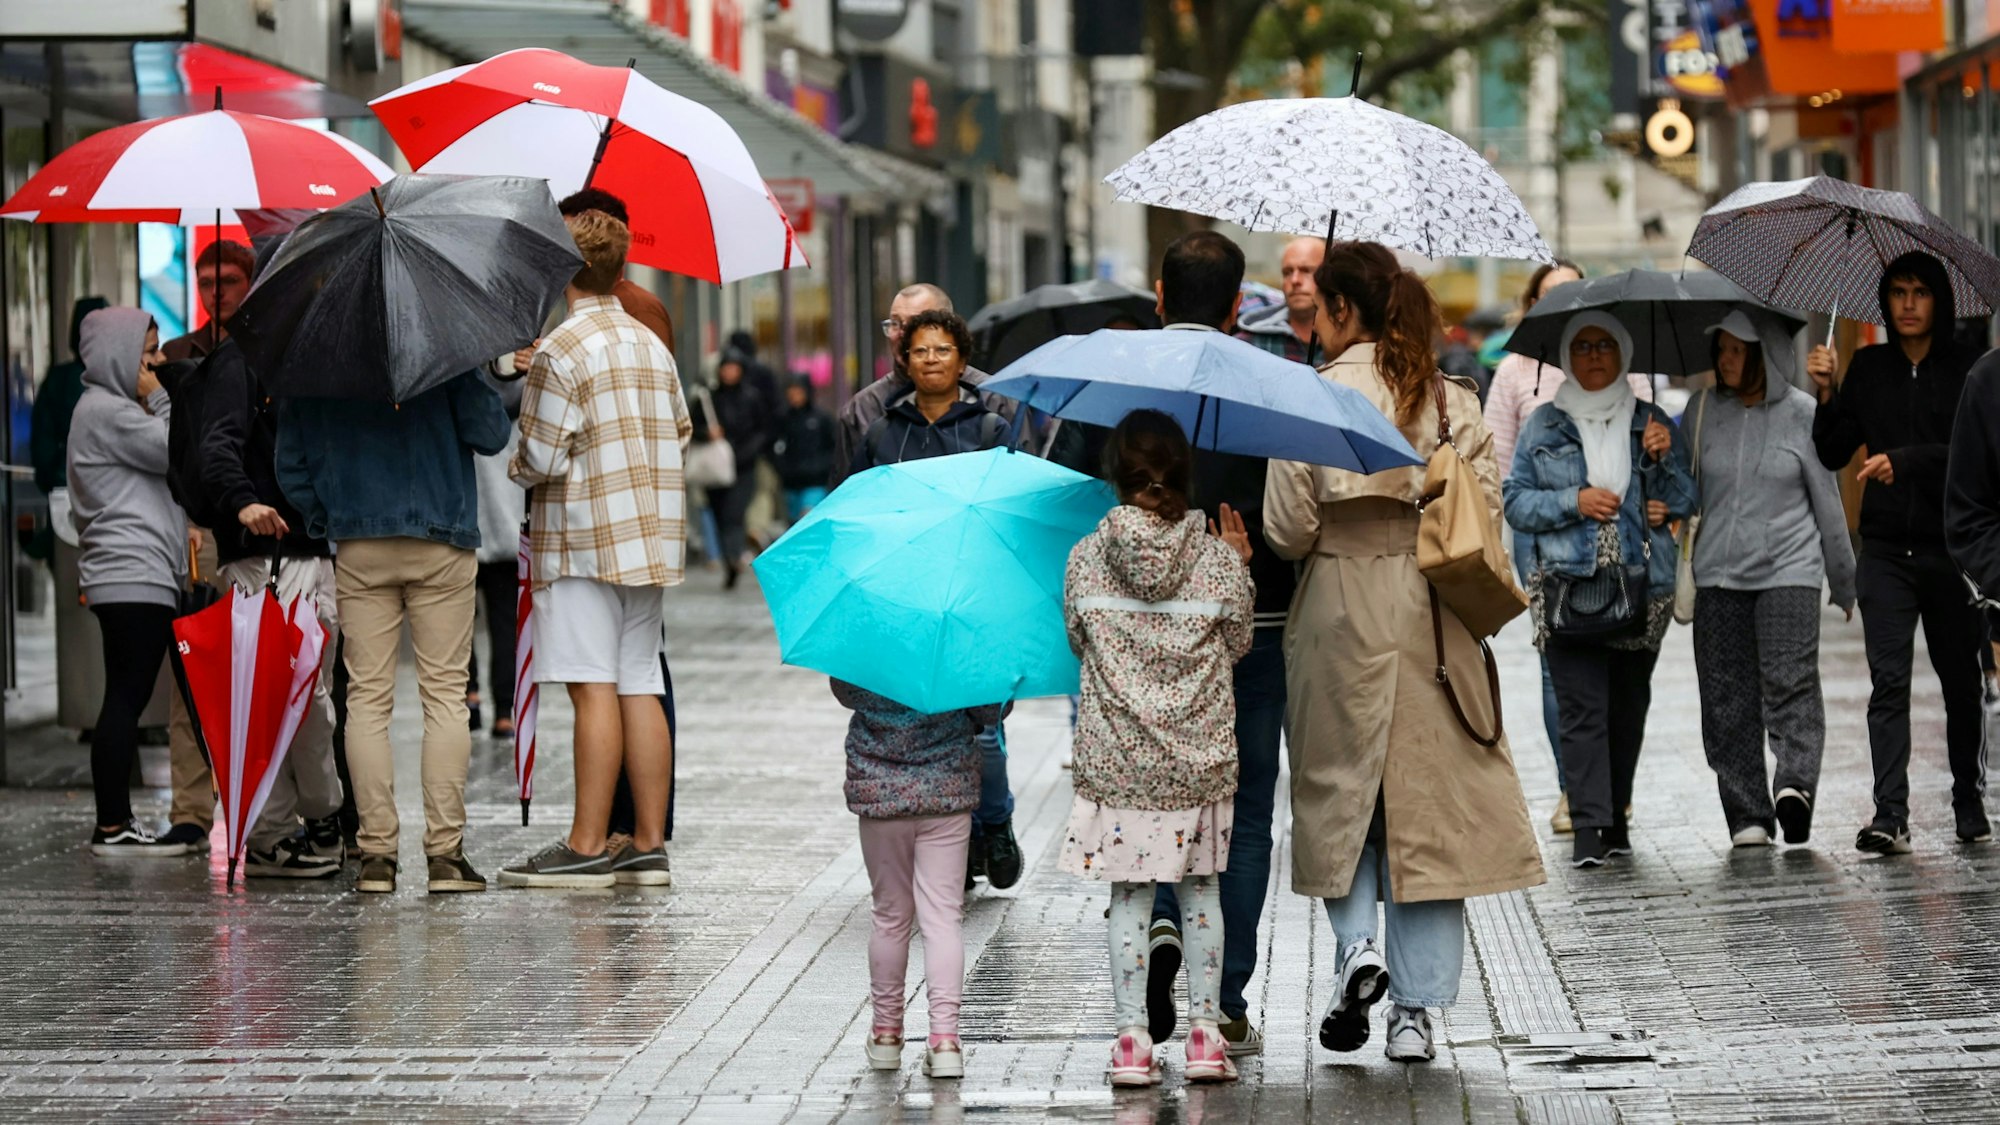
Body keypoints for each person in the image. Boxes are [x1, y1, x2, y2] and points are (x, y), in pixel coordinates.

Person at [1268, 241, 1544, 1063]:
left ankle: (1357, 949)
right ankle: (1415, 1014)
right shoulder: (1451, 399)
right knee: (1427, 808)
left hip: (1338, 612)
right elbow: (1485, 515)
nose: (1312, 322)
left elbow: (1288, 530)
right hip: (1430, 617)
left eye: (1318, 308)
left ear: (1342, 310)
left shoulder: (1308, 401)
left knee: (1337, 793)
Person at [1060, 409, 1254, 1086]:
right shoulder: (1214, 557)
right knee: (1202, 892)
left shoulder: (1086, 555)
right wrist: (1241, 566)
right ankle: (1205, 1036)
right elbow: (1237, 645)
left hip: (1118, 762)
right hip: (1198, 761)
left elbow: (1079, 641)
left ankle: (1133, 1045)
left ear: (1117, 472)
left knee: (1130, 899)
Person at [499, 210, 690, 889]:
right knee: (639, 677)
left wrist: (520, 455)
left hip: (582, 538)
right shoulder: (649, 344)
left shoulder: (561, 349)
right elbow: (682, 427)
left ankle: (585, 845)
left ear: (561, 270)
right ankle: (645, 841)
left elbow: (540, 457)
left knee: (592, 686)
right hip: (651, 536)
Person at [1142, 230, 1293, 1057]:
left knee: (1164, 799)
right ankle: (1224, 1000)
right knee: (1245, 818)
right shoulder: (1275, 390)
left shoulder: (1118, 386)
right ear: (1239, 307)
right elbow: (1295, 520)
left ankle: (1164, 918)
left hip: (1151, 641)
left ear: (1159, 297)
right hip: (1257, 633)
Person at [277, 365, 510, 894]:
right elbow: (492, 433)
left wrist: (329, 519)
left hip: (360, 543)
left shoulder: (322, 360)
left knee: (366, 699)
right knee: (446, 696)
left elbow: (290, 464)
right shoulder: (442, 349)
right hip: (442, 536)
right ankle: (445, 856)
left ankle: (377, 853)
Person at [1809, 250, 1989, 852]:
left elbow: (1975, 459)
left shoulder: (1969, 371)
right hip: (1884, 551)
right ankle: (1890, 813)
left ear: (1939, 300)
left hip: (1950, 551)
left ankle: (1968, 796)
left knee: (1961, 682)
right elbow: (1835, 451)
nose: (1907, 304)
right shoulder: (1869, 367)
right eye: (1898, 293)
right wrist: (1828, 395)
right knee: (1888, 682)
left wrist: (1906, 462)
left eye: (1919, 293)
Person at [1504, 312, 1697, 869]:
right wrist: (1574, 502)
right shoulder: (1544, 425)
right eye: (1582, 346)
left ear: (1624, 355)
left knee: (1627, 707)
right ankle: (1589, 828)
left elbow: (1686, 497)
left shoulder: (1651, 421)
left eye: (1605, 346)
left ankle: (1615, 816)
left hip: (1643, 587)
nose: (1593, 356)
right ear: (1567, 356)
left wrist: (1664, 465)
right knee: (1581, 707)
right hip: (1569, 585)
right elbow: (1516, 502)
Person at [849, 307, 1024, 894]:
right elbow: (859, 512)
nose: (930, 360)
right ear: (905, 361)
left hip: (970, 596)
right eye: (920, 351)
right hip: (905, 598)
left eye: (942, 351)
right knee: (919, 718)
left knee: (980, 726)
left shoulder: (990, 429)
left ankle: (993, 824)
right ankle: (946, 833)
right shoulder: (883, 432)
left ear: (962, 360)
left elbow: (1007, 510)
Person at [1482, 260, 1650, 836]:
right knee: (1563, 681)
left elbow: (1664, 472)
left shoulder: (1632, 381)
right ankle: (1574, 794)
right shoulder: (1516, 376)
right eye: (1553, 298)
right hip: (1546, 557)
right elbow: (1502, 474)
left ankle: (1608, 796)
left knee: (1624, 689)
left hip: (1627, 560)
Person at [1687, 313, 1856, 848]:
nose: (1726, 359)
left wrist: (1845, 581)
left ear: (1767, 354)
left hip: (1789, 569)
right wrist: (1657, 463)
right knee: (1725, 699)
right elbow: (1682, 490)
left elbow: (1829, 507)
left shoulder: (1804, 415)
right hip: (1717, 574)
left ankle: (1795, 787)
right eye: (1722, 349)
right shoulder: (1699, 412)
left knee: (1790, 680)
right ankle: (1747, 815)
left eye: (1740, 350)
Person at [196, 315, 346, 877]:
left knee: (310, 700)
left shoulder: (306, 358)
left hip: (308, 555)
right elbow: (217, 446)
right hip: (266, 559)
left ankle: (304, 821)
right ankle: (273, 833)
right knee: (276, 702)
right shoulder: (241, 360)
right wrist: (241, 503)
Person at [65, 308, 189, 855]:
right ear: (120, 354)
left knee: (125, 696)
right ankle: (112, 824)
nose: (159, 361)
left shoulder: (108, 409)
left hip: (134, 573)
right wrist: (163, 396)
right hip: (130, 573)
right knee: (125, 699)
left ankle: (115, 821)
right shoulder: (106, 411)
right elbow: (172, 450)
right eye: (149, 352)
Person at [688, 350, 770, 589]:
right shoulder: (709, 398)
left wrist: (746, 453)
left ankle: (735, 557)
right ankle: (730, 560)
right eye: (726, 368)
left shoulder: (752, 398)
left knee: (734, 514)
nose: (729, 373)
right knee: (720, 516)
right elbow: (691, 426)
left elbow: (763, 430)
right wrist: (707, 434)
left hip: (744, 467)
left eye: (734, 368)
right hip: (716, 469)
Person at [470, 386, 523, 741]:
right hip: (507, 529)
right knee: (505, 625)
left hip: (466, 530)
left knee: (456, 623)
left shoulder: (461, 394)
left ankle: (469, 698)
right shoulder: (521, 398)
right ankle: (504, 712)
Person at [1235, 236, 1324, 365]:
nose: (1295, 280)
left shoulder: (1348, 342)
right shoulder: (1250, 345)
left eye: (1306, 271)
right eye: (1287, 272)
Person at [162, 240, 254, 363]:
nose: (216, 292)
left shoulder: (273, 348)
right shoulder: (176, 352)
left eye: (229, 281)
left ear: (251, 284)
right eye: (206, 283)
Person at [773, 376, 836, 521]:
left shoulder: (821, 419)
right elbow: (776, 447)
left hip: (815, 481)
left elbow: (833, 447)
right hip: (791, 483)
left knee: (808, 519)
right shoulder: (783, 419)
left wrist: (821, 467)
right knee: (794, 523)